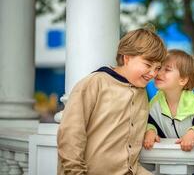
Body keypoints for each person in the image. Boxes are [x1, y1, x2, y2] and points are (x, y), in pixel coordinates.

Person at [57, 27, 167, 175]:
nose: (153, 73)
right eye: (148, 65)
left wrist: (150, 130)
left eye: (157, 68)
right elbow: (71, 133)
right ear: (126, 58)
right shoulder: (94, 83)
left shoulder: (141, 93)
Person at [143, 49, 194, 174]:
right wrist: (150, 130)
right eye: (159, 68)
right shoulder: (155, 102)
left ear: (183, 80)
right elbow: (149, 121)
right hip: (169, 164)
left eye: (167, 69)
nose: (158, 73)